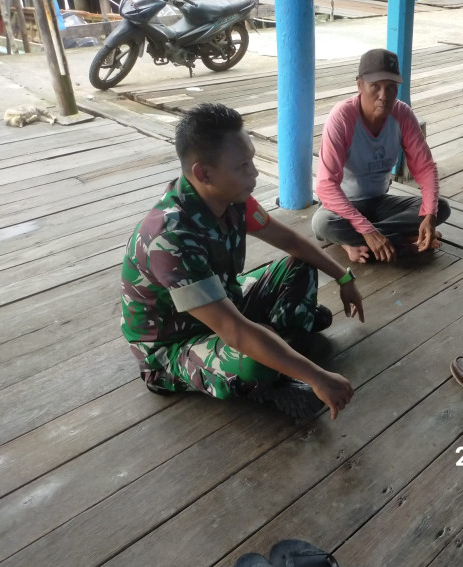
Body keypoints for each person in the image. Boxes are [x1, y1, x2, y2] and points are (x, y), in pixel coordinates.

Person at [120, 103, 365, 420]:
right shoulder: (171, 238)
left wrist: (344, 278)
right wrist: (317, 377)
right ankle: (276, 371)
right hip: (175, 343)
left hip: (224, 300)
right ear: (204, 173)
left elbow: (290, 241)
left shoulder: (231, 199)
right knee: (254, 359)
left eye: (251, 160)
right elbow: (232, 330)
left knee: (301, 265)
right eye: (243, 166)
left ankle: (277, 340)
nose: (255, 172)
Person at [312, 48, 451, 264]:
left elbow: (425, 168)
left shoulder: (402, 114)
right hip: (344, 205)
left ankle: (357, 242)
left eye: (391, 87)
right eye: (375, 86)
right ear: (360, 85)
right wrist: (367, 229)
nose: (384, 96)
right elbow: (326, 186)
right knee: (322, 224)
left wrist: (430, 215)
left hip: (380, 201)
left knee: (439, 207)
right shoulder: (342, 117)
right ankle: (400, 239)